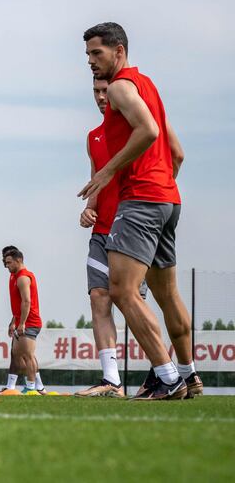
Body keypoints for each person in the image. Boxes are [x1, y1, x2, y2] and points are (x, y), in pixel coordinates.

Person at [79, 22, 198, 400]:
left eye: (96, 53)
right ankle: (189, 374)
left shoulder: (119, 87)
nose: (91, 62)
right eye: (87, 55)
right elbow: (175, 150)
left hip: (142, 199)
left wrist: (109, 171)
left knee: (122, 290)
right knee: (167, 296)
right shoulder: (147, 86)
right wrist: (162, 181)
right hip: (167, 199)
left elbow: (146, 130)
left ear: (119, 50)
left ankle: (166, 377)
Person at [76, 79, 148, 398]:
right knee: (98, 299)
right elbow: (97, 180)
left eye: (106, 91)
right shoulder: (92, 136)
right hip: (101, 231)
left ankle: (171, 372)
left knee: (133, 302)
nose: (102, 97)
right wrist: (88, 209)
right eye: (96, 91)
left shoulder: (138, 129)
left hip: (133, 229)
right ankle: (111, 381)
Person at [4, 249, 45, 395]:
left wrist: (22, 323)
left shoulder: (23, 277)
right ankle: (39, 387)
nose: (6, 265)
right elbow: (19, 304)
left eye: (9, 262)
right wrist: (13, 321)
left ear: (18, 260)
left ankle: (32, 387)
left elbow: (26, 302)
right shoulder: (15, 276)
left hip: (30, 322)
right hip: (23, 321)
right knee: (17, 353)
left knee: (28, 355)